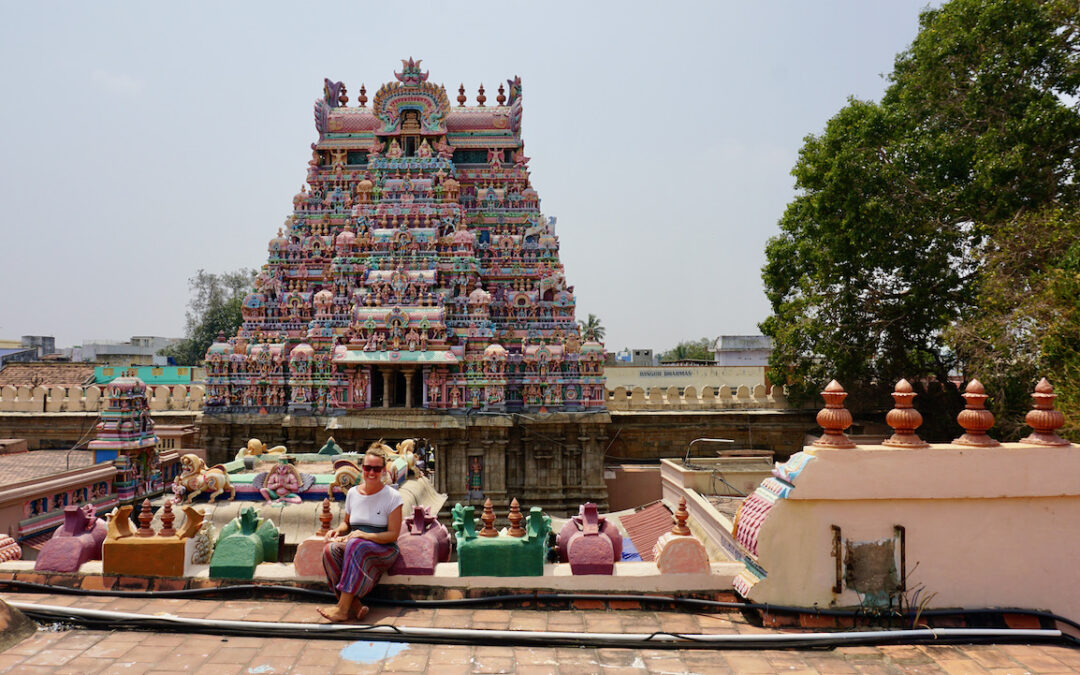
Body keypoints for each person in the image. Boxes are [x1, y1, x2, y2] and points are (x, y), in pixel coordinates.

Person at [319, 445, 403, 622]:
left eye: (376, 469)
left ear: (383, 470)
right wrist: (337, 530)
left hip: (383, 548)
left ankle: (342, 608)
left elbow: (393, 535)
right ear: (362, 468)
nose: (371, 472)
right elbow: (347, 523)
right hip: (356, 544)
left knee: (355, 544)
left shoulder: (393, 497)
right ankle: (355, 605)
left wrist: (364, 535)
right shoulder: (352, 493)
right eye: (367, 468)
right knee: (330, 550)